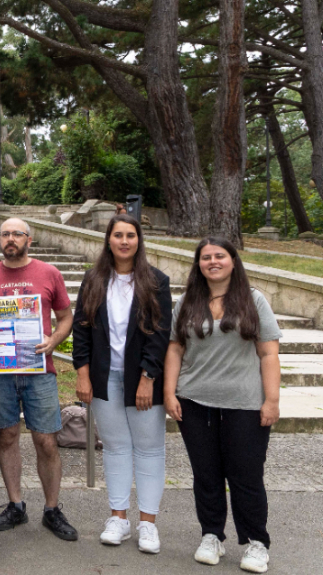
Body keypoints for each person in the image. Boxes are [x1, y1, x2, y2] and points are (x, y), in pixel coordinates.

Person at [163, 237, 281, 573]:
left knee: (245, 475)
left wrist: (271, 400)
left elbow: (269, 353)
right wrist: (169, 393)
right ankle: (211, 534)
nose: (212, 262)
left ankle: (257, 542)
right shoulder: (187, 301)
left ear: (233, 260)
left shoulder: (253, 300)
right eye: (205, 257)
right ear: (198, 264)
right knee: (206, 474)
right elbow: (175, 349)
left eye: (220, 256)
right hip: (195, 401)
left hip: (245, 402)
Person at [0, 217, 77, 541]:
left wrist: (54, 341)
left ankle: (52, 509)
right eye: (5, 234)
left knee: (46, 440)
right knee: (7, 437)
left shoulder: (49, 273)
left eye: (17, 233)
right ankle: (16, 504)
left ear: (29, 239)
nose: (10, 238)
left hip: (38, 370)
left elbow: (66, 316)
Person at [72, 214, 172, 553]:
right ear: (109, 240)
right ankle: (118, 518)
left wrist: (148, 378)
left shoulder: (156, 281)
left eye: (131, 235)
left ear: (139, 240)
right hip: (104, 378)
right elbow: (81, 330)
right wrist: (83, 374)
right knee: (115, 448)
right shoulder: (94, 279)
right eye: (118, 235)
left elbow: (160, 335)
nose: (125, 241)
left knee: (149, 449)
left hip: (142, 378)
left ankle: (148, 524)